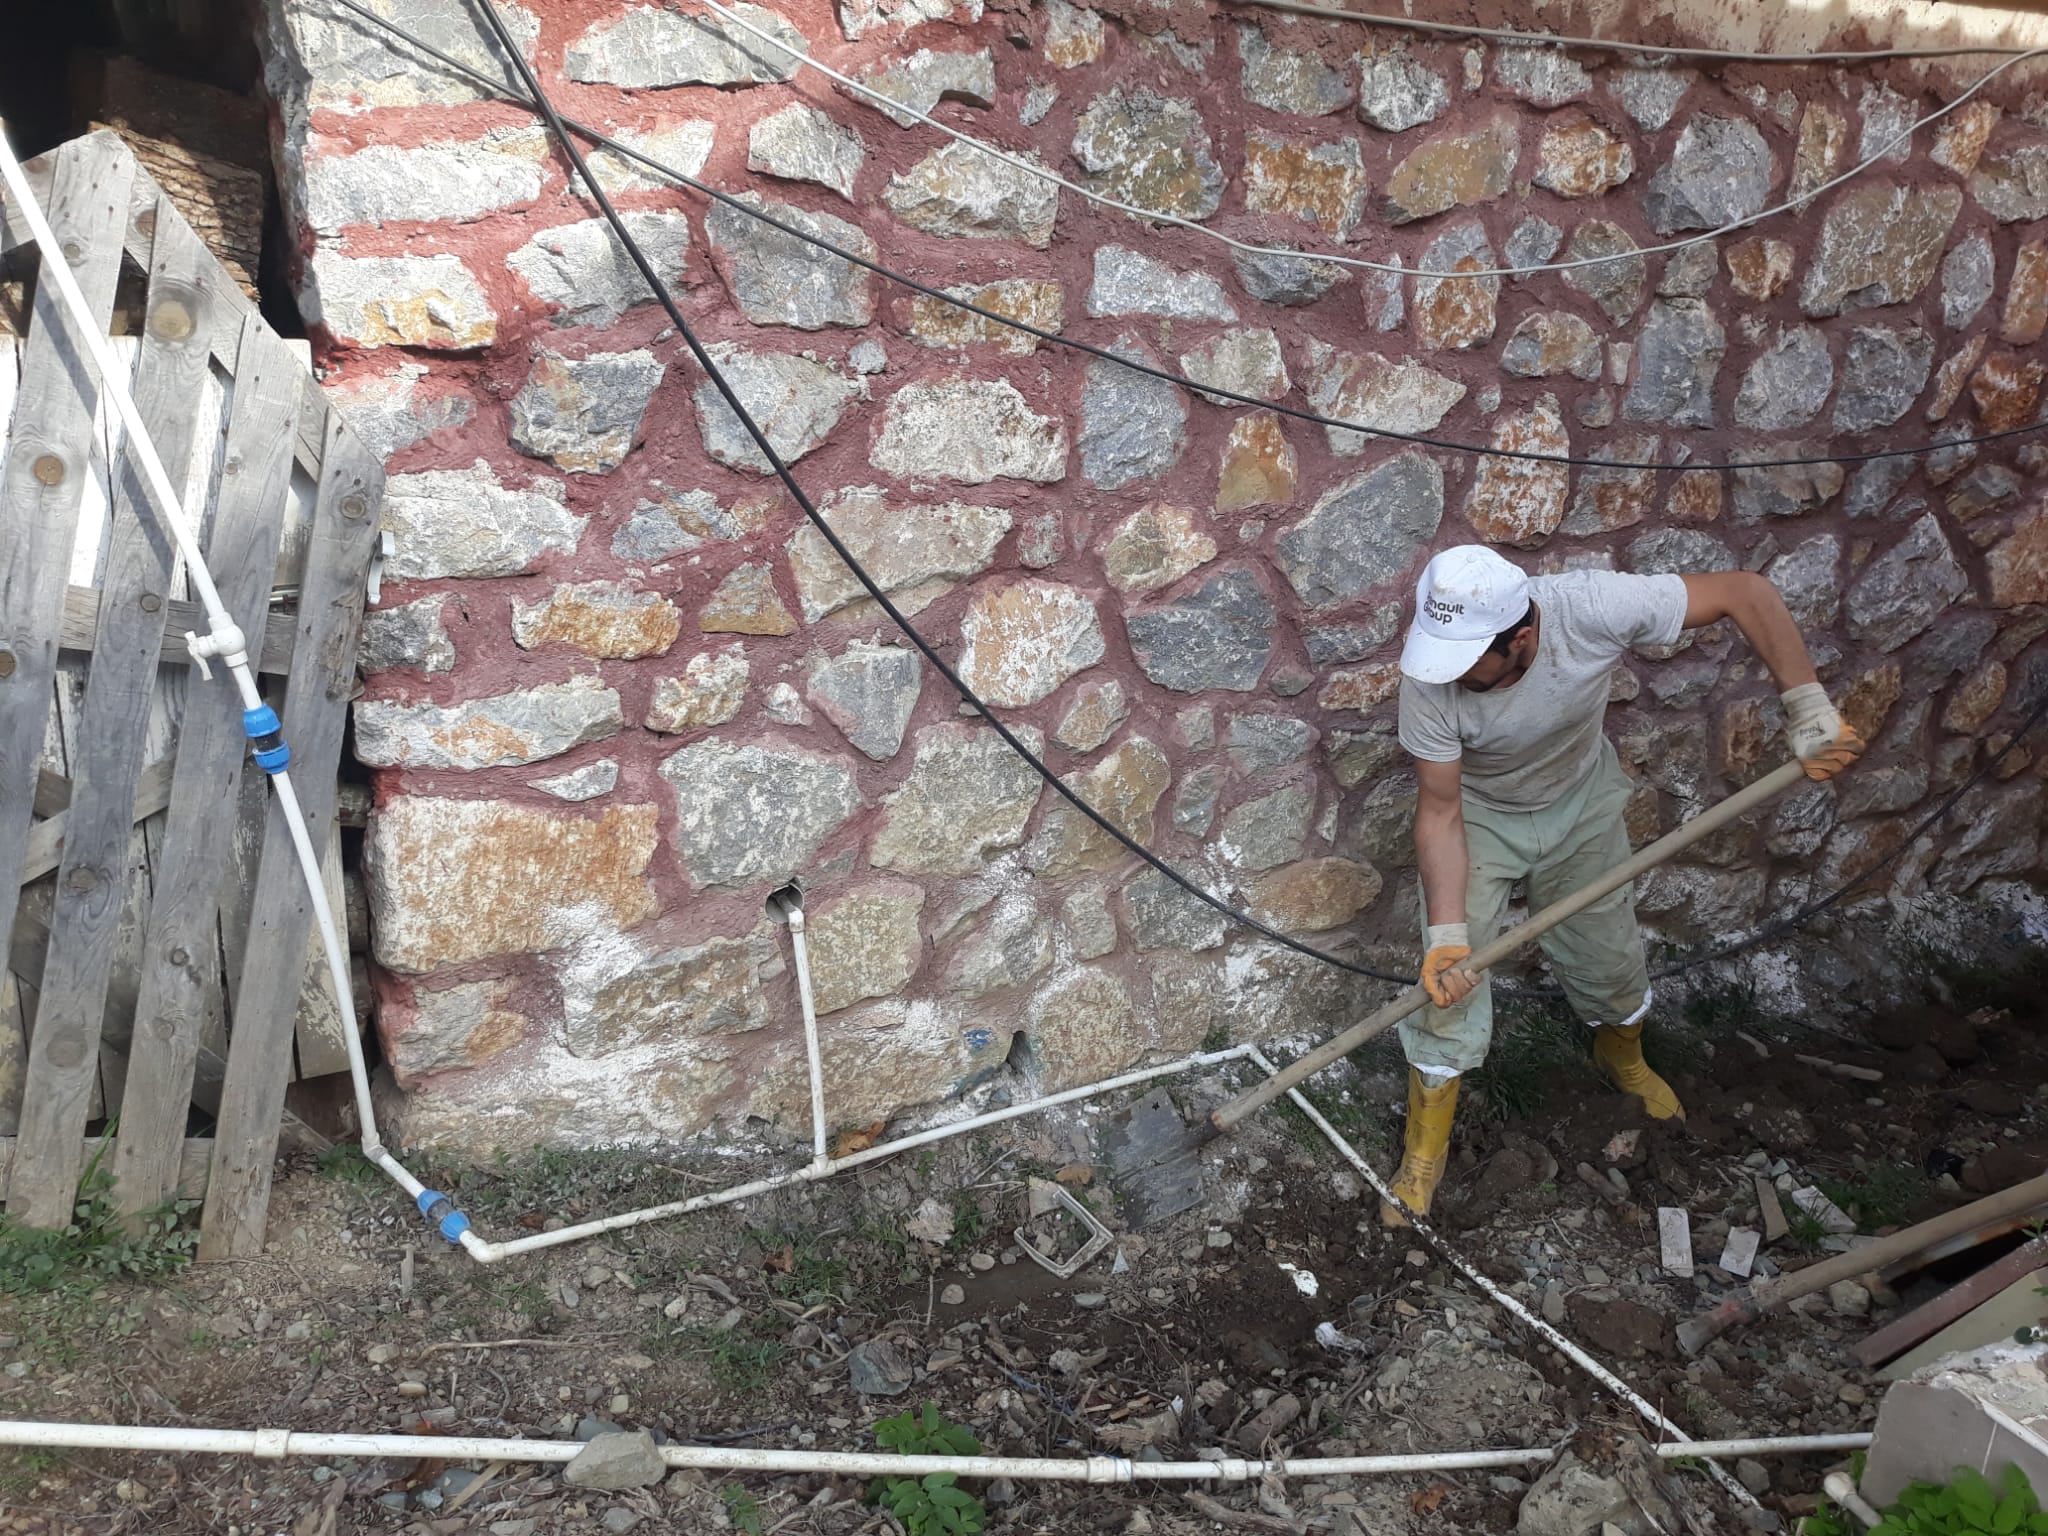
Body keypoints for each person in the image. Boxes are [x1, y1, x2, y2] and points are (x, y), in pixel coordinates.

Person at [1381, 546, 1862, 1227]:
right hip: (1481, 820)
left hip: (1581, 803)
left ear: (1521, 638)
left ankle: (1621, 1055)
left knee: (1608, 953)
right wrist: (1451, 935)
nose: (1450, 675)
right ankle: (1424, 1151)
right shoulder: (1429, 683)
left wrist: (1807, 704)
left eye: (1467, 663)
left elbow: (1744, 591)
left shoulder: (1590, 607)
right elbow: (1440, 812)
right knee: (1447, 984)